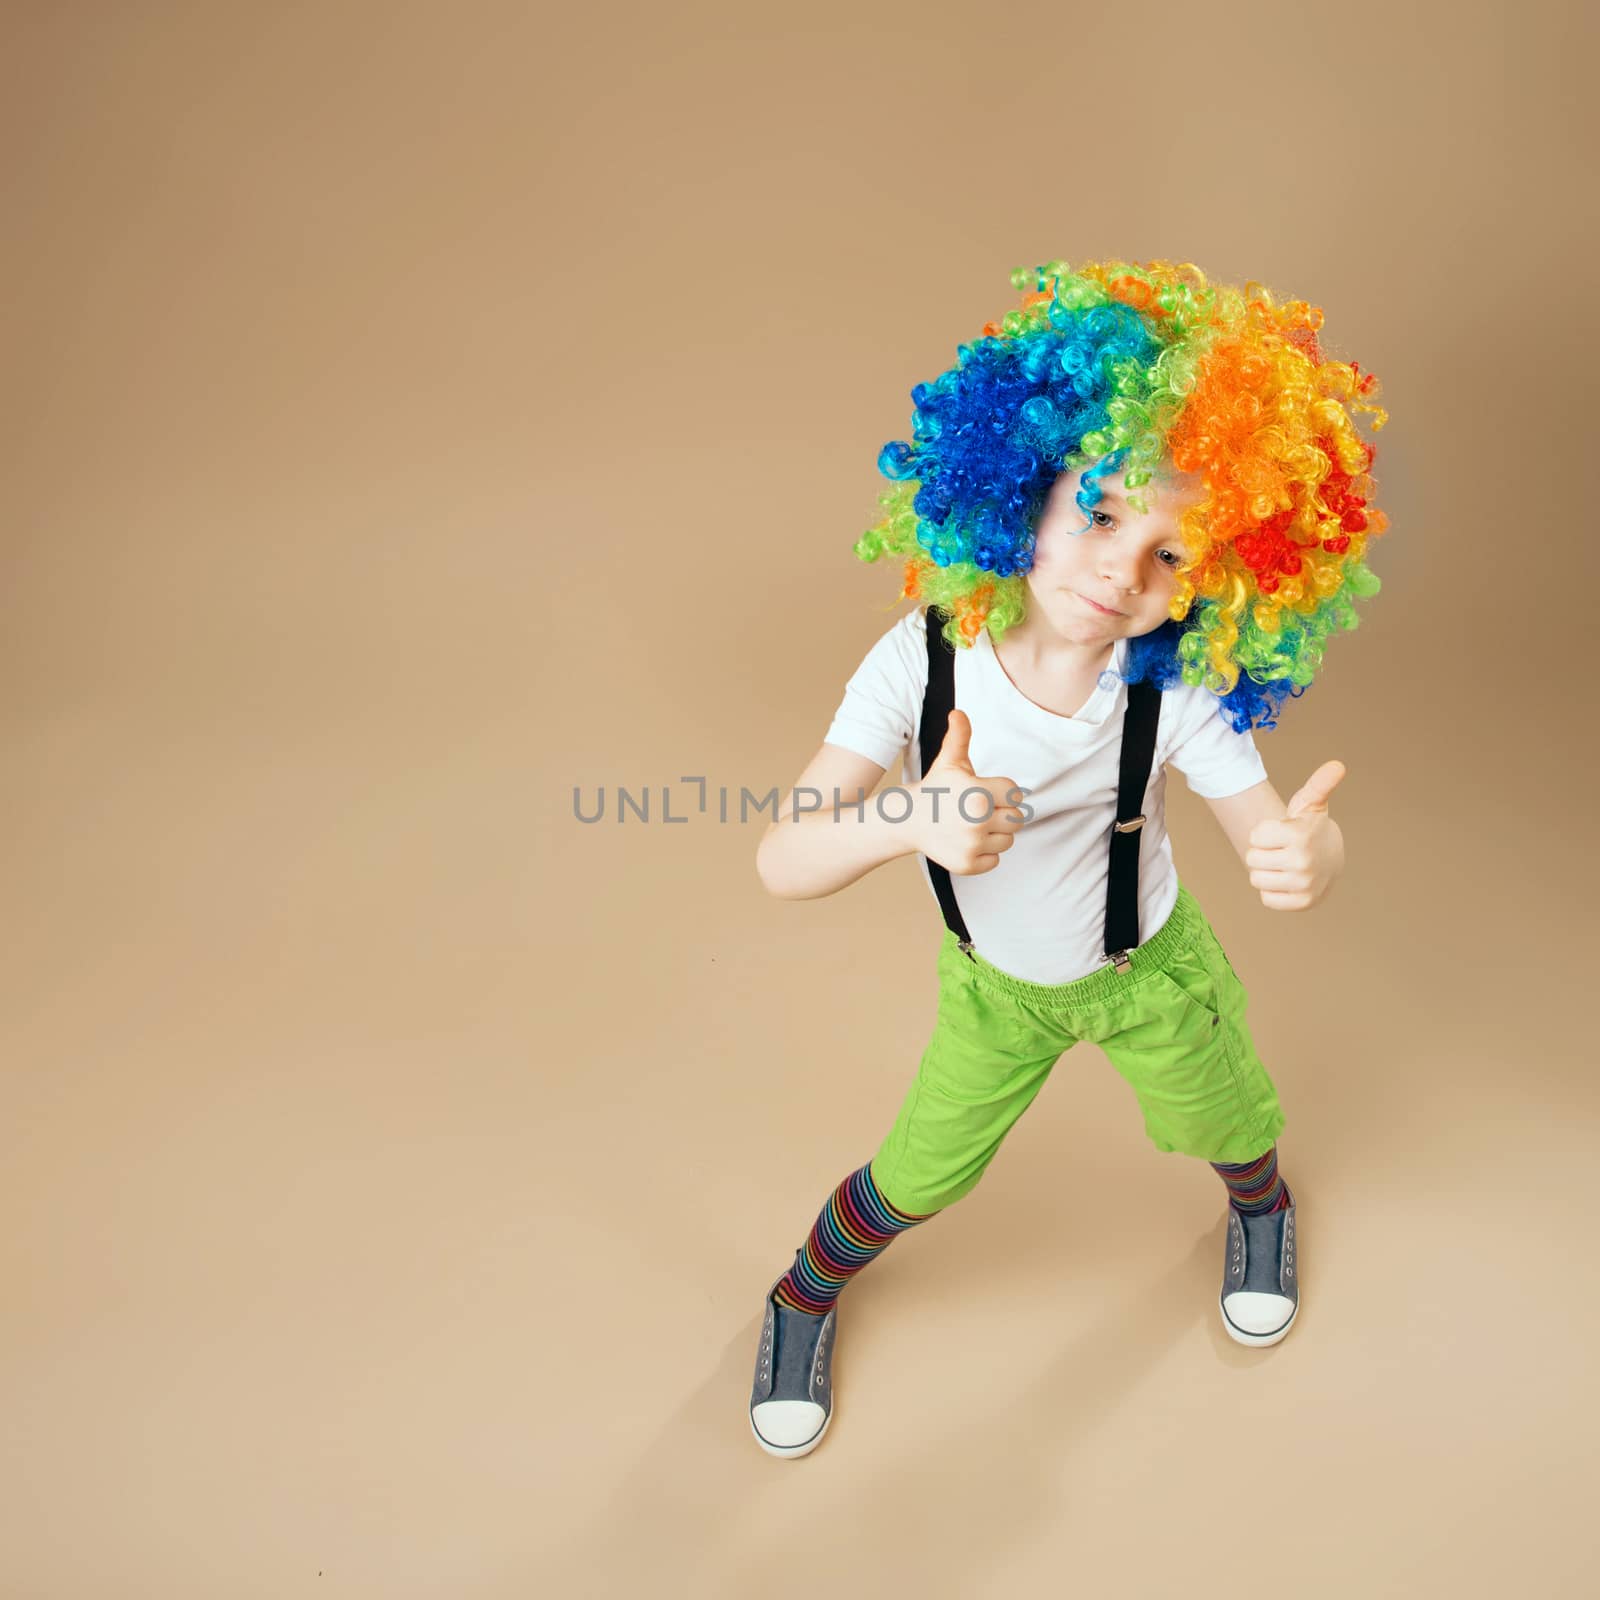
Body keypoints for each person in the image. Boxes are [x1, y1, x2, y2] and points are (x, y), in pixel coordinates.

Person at [748, 259, 1389, 1459]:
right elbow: (784, 858)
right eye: (1099, 514)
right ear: (1021, 485)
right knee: (919, 1173)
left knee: (1228, 1117)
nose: (1120, 571)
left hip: (1153, 972)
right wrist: (909, 823)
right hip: (994, 992)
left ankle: (1262, 1209)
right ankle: (800, 1293)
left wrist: (1315, 850)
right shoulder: (919, 660)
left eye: (1171, 556)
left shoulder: (1176, 685)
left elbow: (1271, 832)